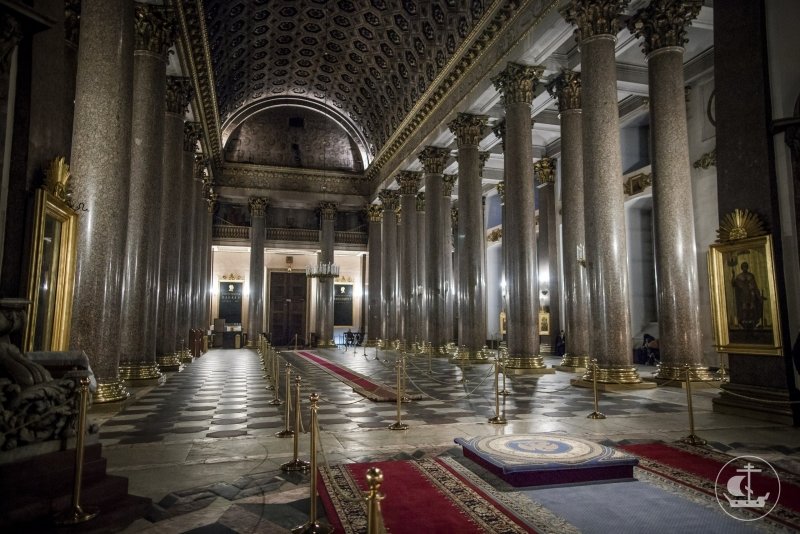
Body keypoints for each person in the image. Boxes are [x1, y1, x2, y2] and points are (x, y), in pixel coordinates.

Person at [732, 262, 763, 329]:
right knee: (744, 309)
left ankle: (752, 323)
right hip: (743, 296)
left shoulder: (751, 276)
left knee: (752, 309)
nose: (745, 268)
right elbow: (734, 284)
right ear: (742, 268)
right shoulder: (739, 276)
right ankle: (744, 323)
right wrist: (733, 276)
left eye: (746, 266)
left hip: (751, 295)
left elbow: (754, 286)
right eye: (744, 266)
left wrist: (758, 296)